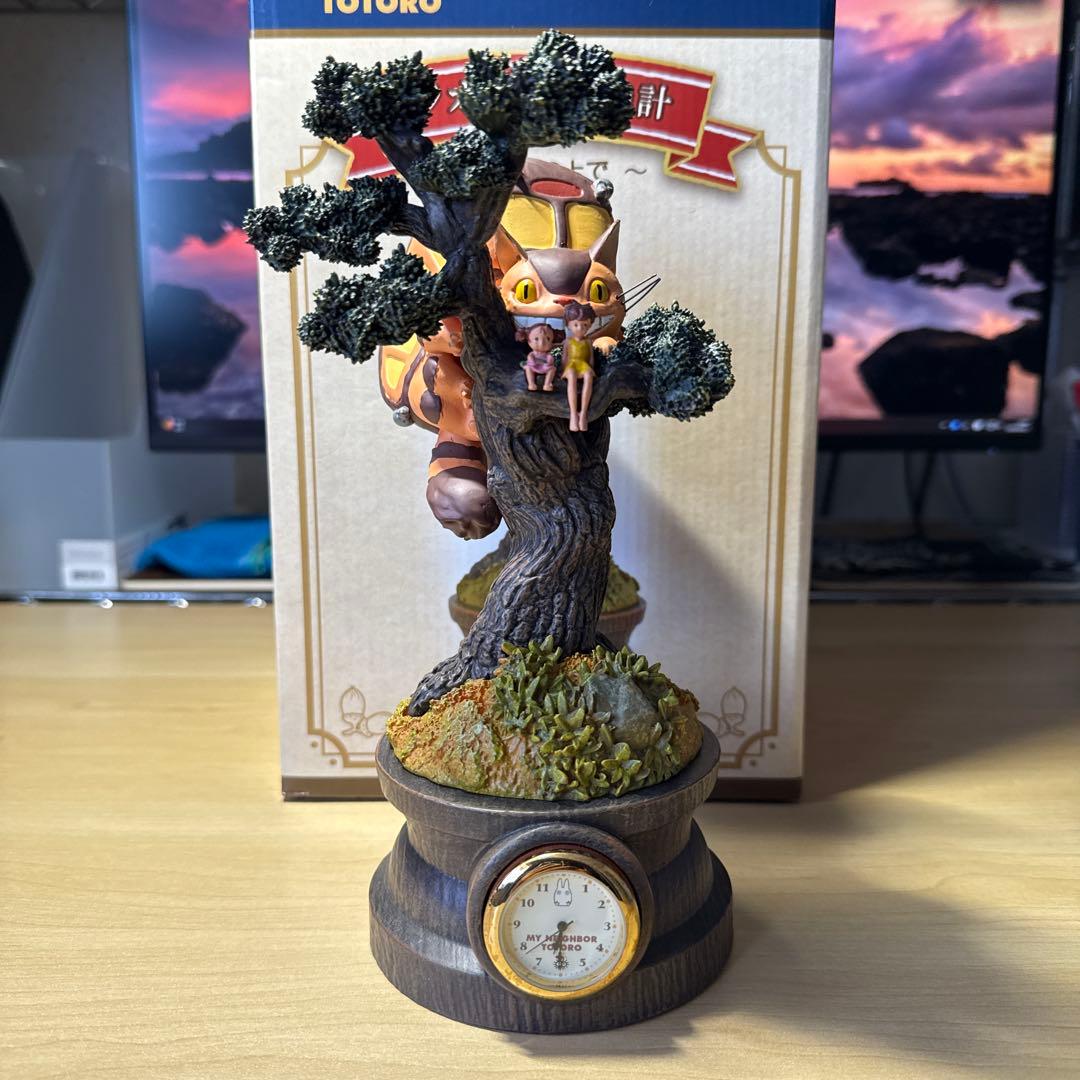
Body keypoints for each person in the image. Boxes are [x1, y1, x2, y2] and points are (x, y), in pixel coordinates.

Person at [561, 301, 596, 432]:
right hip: (572, 365)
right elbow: (565, 357)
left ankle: (583, 413)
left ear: (589, 325)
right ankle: (573, 414)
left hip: (583, 365)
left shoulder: (588, 342)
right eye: (576, 325)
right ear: (569, 325)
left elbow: (591, 357)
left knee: (588, 375)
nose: (580, 328)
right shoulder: (568, 341)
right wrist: (563, 370)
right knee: (571, 375)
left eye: (584, 325)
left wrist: (592, 368)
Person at [519, 322, 557, 391]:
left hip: (545, 367)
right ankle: (531, 383)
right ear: (529, 342)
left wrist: (549, 360)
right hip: (534, 366)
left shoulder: (548, 354)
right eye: (536, 339)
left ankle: (547, 384)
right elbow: (530, 358)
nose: (542, 343)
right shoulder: (532, 354)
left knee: (553, 369)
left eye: (548, 339)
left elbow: (550, 359)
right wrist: (532, 361)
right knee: (528, 368)